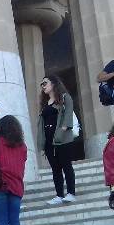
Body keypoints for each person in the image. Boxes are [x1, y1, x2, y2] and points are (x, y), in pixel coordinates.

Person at [36, 75, 78, 205]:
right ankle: (59, 194)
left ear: (53, 84)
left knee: (66, 165)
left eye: (45, 83)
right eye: (41, 84)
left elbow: (67, 115)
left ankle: (71, 193)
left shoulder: (65, 98)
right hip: (49, 140)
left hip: (62, 139)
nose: (43, 86)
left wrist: (62, 131)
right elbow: (42, 123)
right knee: (55, 169)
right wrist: (42, 143)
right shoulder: (44, 103)